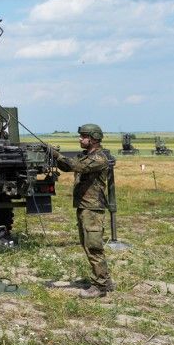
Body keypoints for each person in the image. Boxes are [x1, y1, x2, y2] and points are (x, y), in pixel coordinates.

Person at [46, 123, 114, 298]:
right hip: (85, 206)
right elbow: (69, 165)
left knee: (94, 246)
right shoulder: (87, 156)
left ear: (92, 139)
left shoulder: (98, 159)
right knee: (88, 245)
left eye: (83, 136)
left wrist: (55, 154)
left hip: (92, 208)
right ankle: (104, 280)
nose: (80, 139)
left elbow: (75, 166)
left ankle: (100, 287)